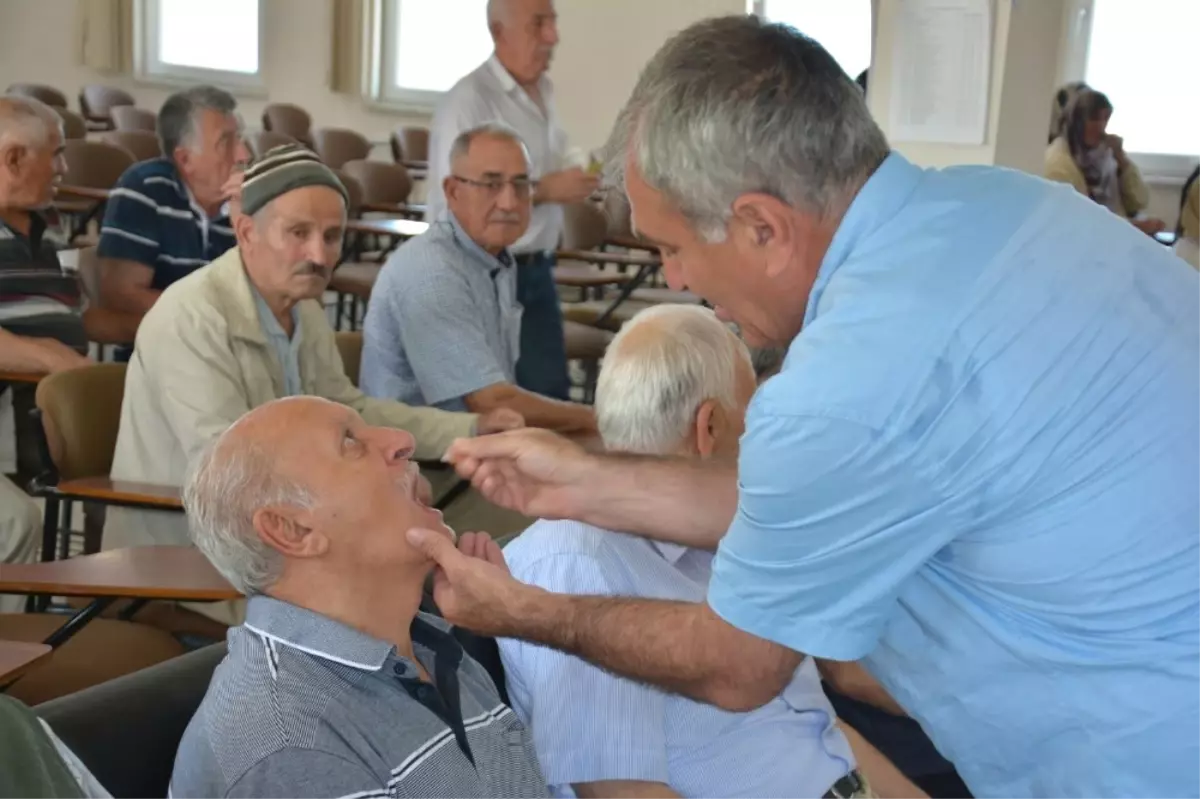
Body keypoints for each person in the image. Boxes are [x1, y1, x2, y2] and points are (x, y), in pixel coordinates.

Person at [404, 17, 1200, 799]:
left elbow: (738, 664)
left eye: (673, 247)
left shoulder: (848, 375)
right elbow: (811, 496)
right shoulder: (1004, 204)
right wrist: (582, 481)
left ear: (761, 226)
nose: (675, 281)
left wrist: (523, 611)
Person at [500, 304, 928, 799]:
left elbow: (819, 730)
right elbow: (625, 794)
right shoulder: (577, 562)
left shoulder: (724, 535)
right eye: (757, 418)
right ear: (710, 429)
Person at [106, 145, 527, 625]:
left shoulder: (301, 305)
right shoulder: (191, 316)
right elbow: (224, 472)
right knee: (418, 570)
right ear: (246, 232)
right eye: (298, 233)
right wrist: (383, 488)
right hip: (192, 551)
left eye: (332, 237)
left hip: (293, 527)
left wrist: (472, 429)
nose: (319, 254)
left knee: (489, 500)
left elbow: (349, 409)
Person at [171, 396, 546, 798]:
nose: (403, 440)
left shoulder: (427, 645)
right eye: (350, 441)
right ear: (292, 530)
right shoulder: (293, 746)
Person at [363, 124, 595, 436]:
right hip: (416, 464)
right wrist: (598, 419)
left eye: (521, 185)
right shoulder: (433, 272)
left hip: (474, 447)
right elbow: (492, 403)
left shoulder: (492, 257)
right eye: (491, 185)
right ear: (453, 191)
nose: (509, 202)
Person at [427, 0, 600, 401]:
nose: (553, 36)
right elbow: (455, 200)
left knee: (549, 395)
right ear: (498, 32)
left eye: (553, 22)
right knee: (493, 403)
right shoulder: (469, 101)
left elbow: (551, 159)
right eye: (539, 24)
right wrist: (544, 191)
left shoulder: (544, 91)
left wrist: (578, 171)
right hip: (481, 272)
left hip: (535, 269)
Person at [0, 95, 90, 601]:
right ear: (14, 158)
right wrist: (55, 359)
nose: (64, 168)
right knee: (17, 522)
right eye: (55, 154)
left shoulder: (50, 224)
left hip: (44, 413)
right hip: (13, 413)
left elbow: (79, 310)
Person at [97, 85, 250, 352]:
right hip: (164, 356)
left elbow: (271, 294)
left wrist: (246, 221)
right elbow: (121, 294)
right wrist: (211, 319)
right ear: (185, 159)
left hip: (237, 352)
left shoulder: (247, 200)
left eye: (241, 139)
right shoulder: (145, 188)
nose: (244, 155)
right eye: (226, 142)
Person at [1044, 87, 1165, 235]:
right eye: (1094, 118)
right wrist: (1134, 227)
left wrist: (1122, 160)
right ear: (1077, 121)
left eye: (1105, 118)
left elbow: (1140, 201)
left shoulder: (1107, 155)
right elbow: (1078, 220)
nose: (1101, 125)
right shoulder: (1059, 161)